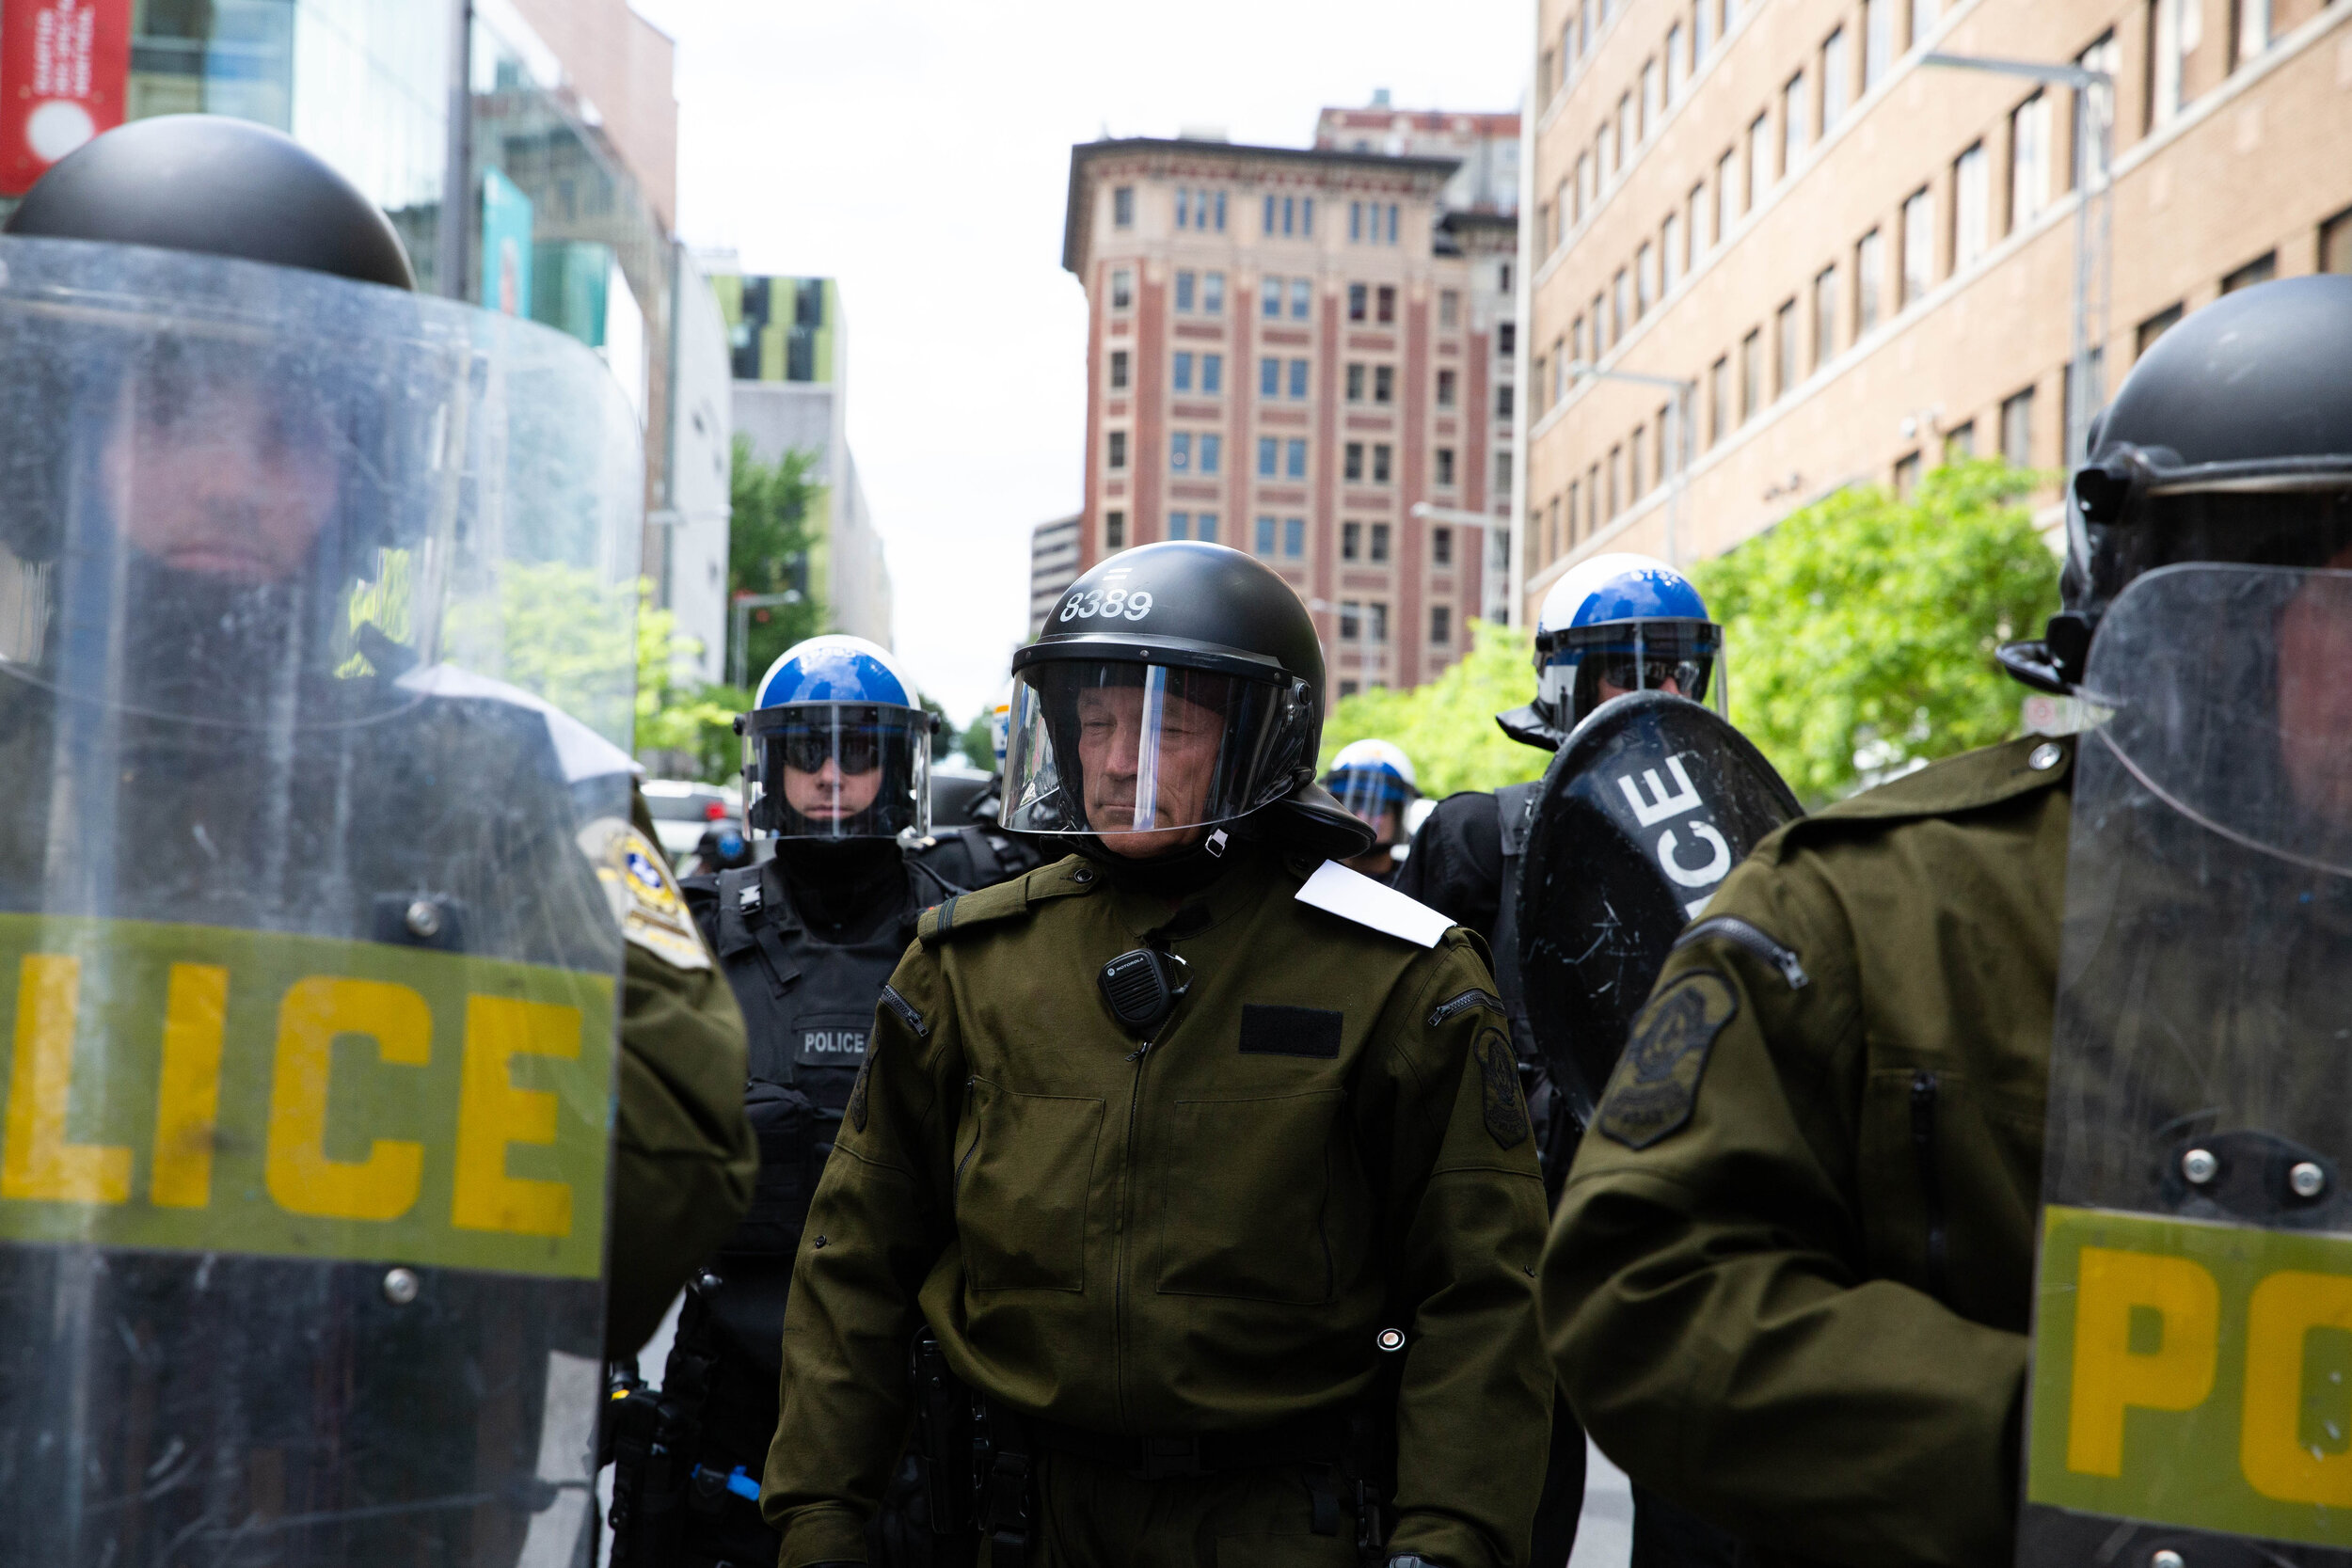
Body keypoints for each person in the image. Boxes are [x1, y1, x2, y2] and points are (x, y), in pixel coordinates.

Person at [0, 115, 753, 1560]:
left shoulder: (507, 780)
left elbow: (659, 1171)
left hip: (367, 1506)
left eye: (291, 429)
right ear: (53, 434)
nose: (234, 477)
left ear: (371, 480)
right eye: (165, 410)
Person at [1540, 275, 2352, 1565]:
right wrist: (2075, 1441)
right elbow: (1644, 1287)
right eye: (2337, 595)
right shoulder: (1872, 905)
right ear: (2211, 623)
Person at [762, 541, 1551, 1568]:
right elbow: (854, 1261)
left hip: (1279, 1517)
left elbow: (1483, 1293)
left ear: (1264, 738)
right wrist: (820, 1517)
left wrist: (1449, 1539)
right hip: (1019, 1513)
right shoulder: (967, 961)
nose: (1119, 758)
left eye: (1166, 724)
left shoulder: (1397, 976)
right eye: (1094, 722)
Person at [1393, 553, 1728, 1568]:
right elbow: (1400, 1047)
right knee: (1509, 1509)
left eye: (1676, 668)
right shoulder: (1475, 833)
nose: (1660, 692)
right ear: (1567, 682)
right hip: (1511, 1238)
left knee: (1703, 1520)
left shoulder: (1732, 843)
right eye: (1629, 669)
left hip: (1668, 1233)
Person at [646, 635, 980, 1567]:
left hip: (912, 1376)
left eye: (859, 751)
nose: (831, 774)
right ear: (771, 764)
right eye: (807, 751)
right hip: (728, 1374)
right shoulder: (699, 924)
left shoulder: (964, 940)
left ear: (898, 764)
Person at [1322, 738, 1420, 881]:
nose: (1362, 816)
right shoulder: (1308, 875)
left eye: (1380, 807)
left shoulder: (1416, 888)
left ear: (1399, 815)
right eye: (1352, 804)